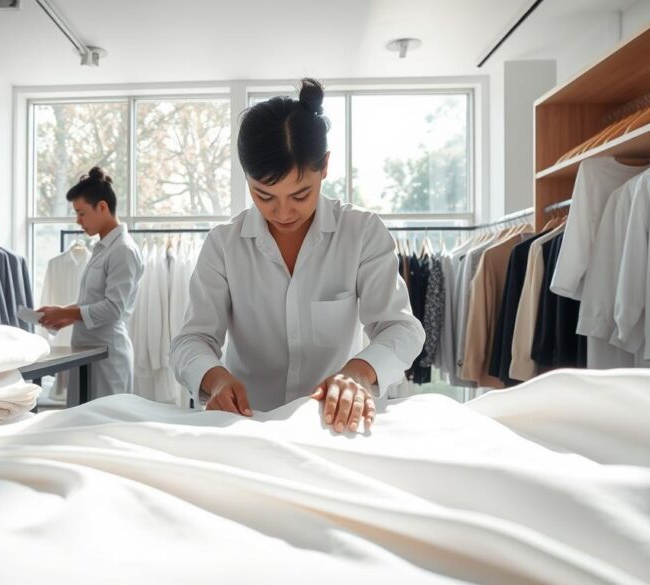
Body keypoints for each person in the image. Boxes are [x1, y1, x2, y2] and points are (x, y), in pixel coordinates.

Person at [170, 78, 425, 433]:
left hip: (334, 425)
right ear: (247, 179)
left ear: (325, 167)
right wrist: (214, 379)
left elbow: (401, 328)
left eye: (300, 195)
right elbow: (192, 339)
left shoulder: (361, 232)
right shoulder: (223, 245)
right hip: (246, 425)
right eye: (264, 196)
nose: (283, 212)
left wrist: (359, 373)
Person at [39, 167, 144, 399]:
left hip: (108, 356)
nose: (78, 220)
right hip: (88, 352)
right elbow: (91, 301)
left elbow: (113, 308)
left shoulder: (123, 251)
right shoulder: (102, 249)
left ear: (102, 207)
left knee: (103, 425)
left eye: (81, 213)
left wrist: (65, 314)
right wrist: (63, 316)